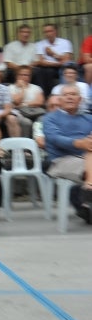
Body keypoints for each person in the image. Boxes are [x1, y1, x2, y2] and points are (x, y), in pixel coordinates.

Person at [42, 84, 92, 221]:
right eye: (66, 95)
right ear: (59, 99)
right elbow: (55, 139)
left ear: (80, 99)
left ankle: (87, 196)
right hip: (61, 160)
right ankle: (85, 202)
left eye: (73, 94)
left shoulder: (88, 118)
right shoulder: (50, 118)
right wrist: (80, 143)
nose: (70, 97)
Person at [33, 23, 74, 96]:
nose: (48, 34)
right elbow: (41, 61)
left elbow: (67, 60)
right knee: (43, 71)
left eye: (50, 31)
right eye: (45, 32)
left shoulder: (65, 42)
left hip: (62, 67)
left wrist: (53, 54)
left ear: (56, 31)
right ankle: (45, 96)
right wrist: (58, 62)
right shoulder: (39, 44)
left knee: (64, 68)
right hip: (47, 67)